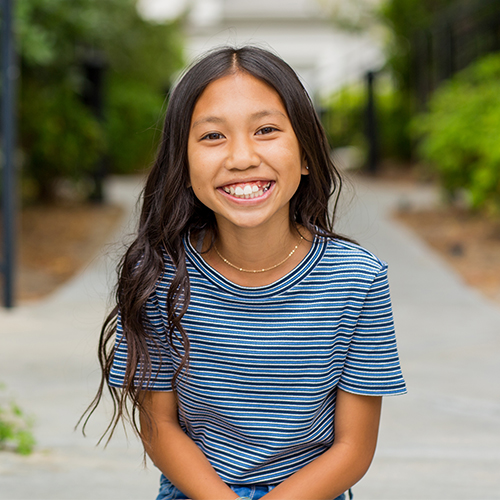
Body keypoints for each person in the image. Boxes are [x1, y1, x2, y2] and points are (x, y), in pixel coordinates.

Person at [84, 45, 406, 500]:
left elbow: (353, 448)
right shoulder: (159, 273)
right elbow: (159, 428)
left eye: (267, 130)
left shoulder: (358, 278)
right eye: (213, 137)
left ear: (308, 154)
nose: (241, 157)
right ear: (184, 163)